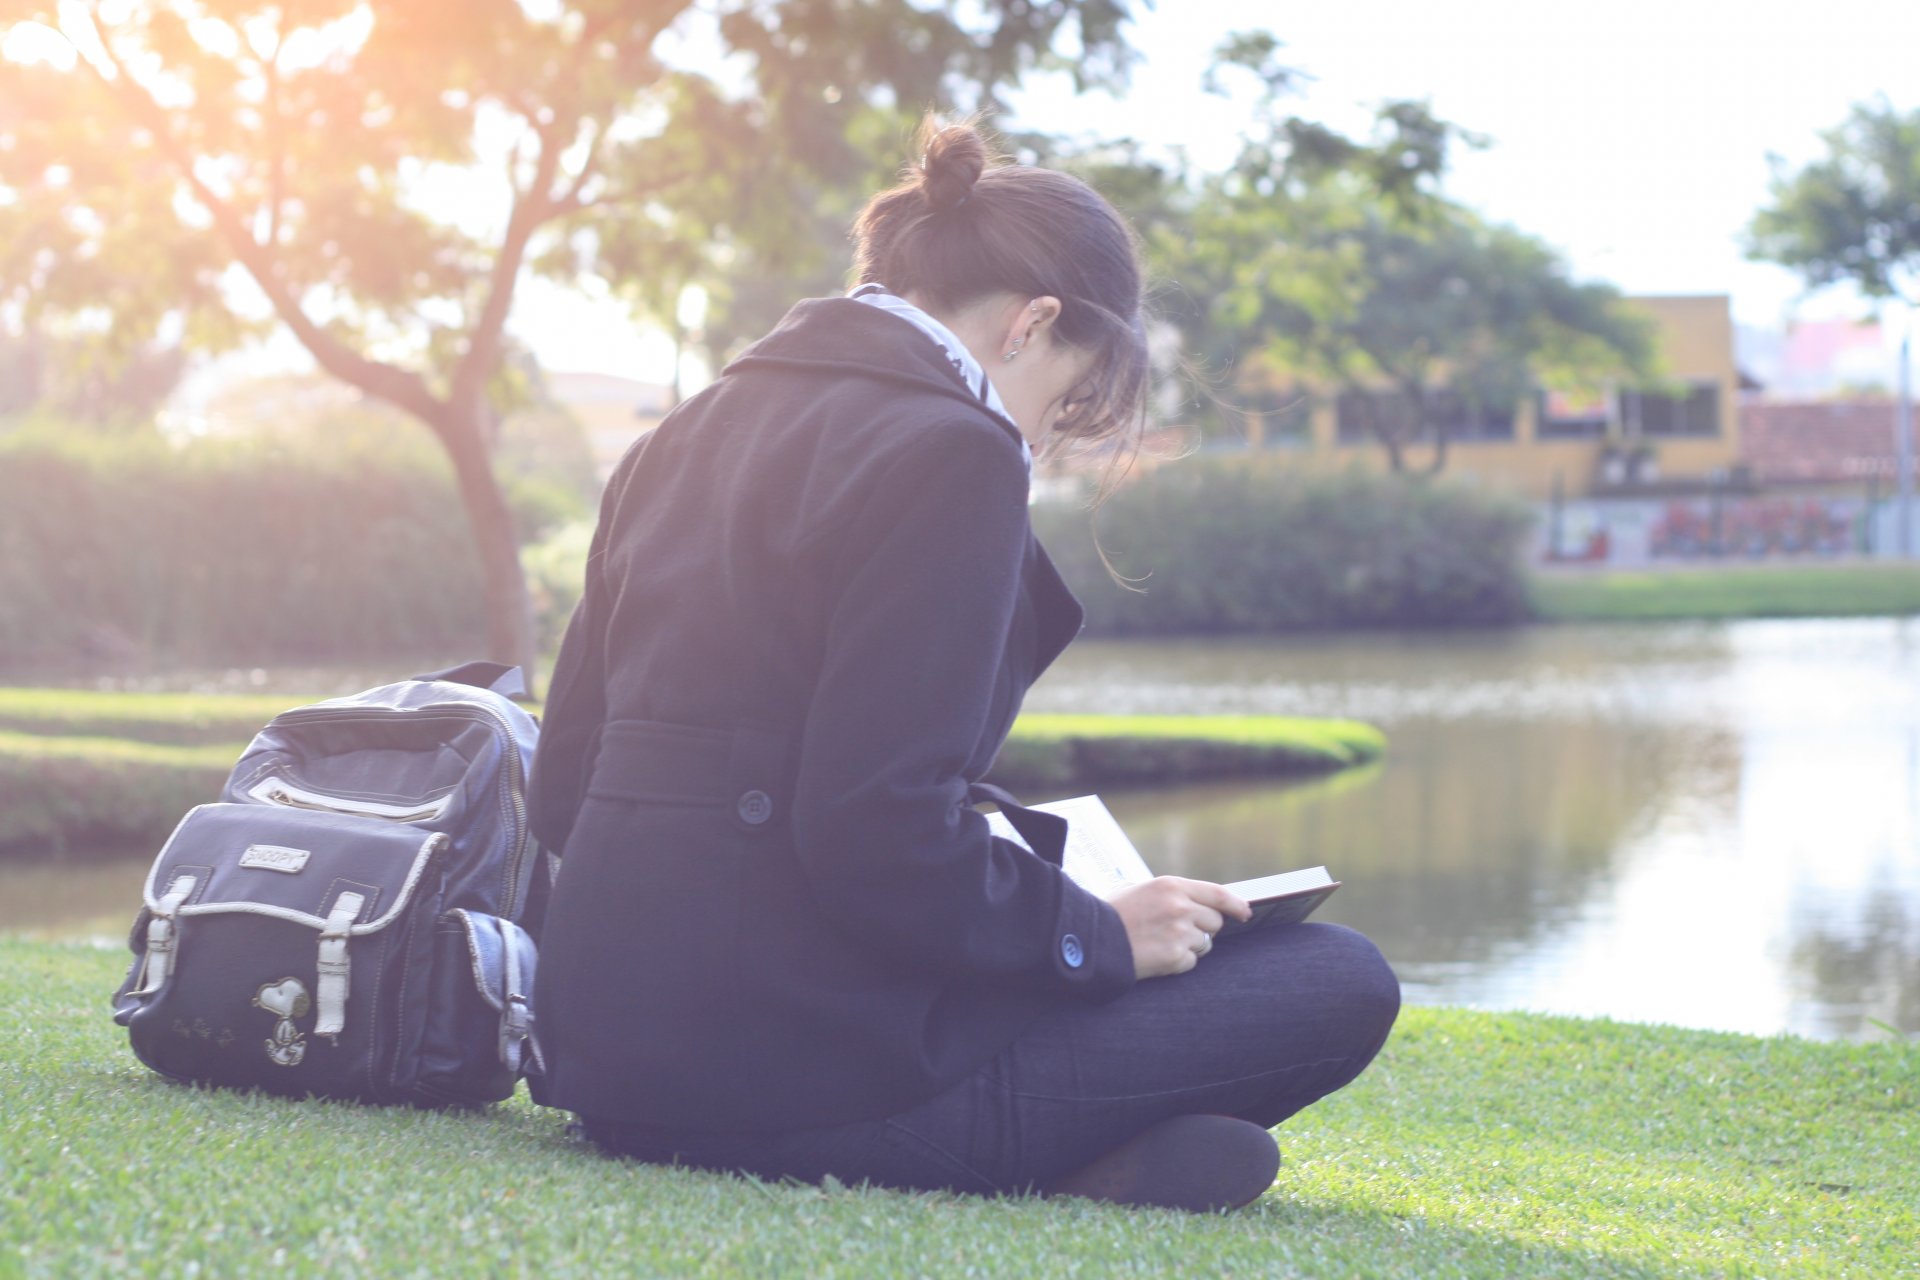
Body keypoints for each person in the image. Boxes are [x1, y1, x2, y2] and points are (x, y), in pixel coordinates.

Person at [527, 119, 1400, 1213]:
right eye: (1069, 395)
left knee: (1098, 948)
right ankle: (1032, 1161)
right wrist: (1095, 934)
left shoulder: (680, 432)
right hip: (798, 1084)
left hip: (616, 1069)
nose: (1044, 432)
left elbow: (564, 786)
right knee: (1335, 976)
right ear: (1033, 324)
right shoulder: (952, 447)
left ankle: (1085, 1162)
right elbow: (870, 828)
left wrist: (1029, 878)